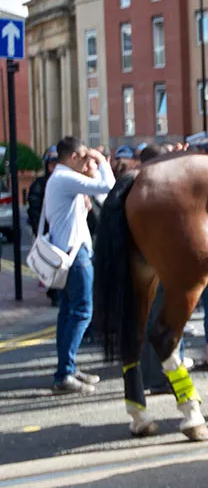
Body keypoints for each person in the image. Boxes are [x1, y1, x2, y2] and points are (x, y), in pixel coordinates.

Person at [43, 137, 116, 393]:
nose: (88, 161)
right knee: (82, 311)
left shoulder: (60, 179)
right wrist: (103, 162)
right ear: (73, 157)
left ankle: (67, 368)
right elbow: (108, 186)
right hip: (75, 256)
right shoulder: (65, 178)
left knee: (67, 313)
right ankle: (64, 374)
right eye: (85, 157)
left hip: (69, 253)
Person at [25, 147, 59, 306]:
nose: (54, 166)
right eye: (51, 163)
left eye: (57, 162)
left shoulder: (65, 181)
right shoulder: (39, 184)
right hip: (46, 233)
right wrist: (41, 232)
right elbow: (33, 209)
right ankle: (54, 294)